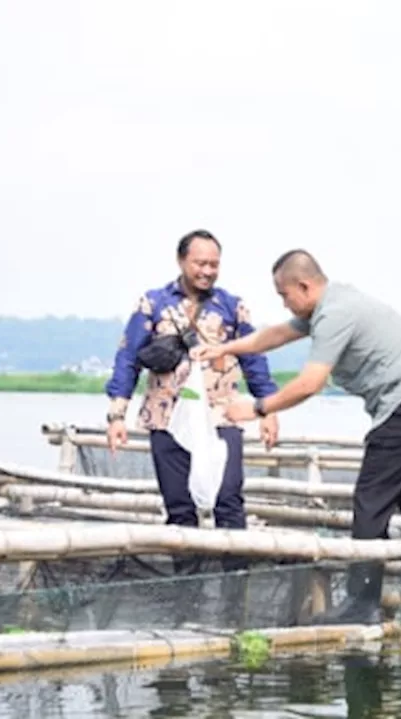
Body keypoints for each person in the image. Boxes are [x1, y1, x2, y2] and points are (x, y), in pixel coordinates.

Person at [193, 249, 401, 623]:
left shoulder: (335, 314)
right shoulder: (330, 304)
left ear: (303, 286)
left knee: (370, 499)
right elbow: (275, 335)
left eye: (284, 294)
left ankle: (362, 603)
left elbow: (310, 384)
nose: (284, 303)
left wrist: (257, 409)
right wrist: (225, 348)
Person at [104, 229, 280, 573]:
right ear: (181, 261)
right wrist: (117, 417)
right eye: (200, 263)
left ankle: (235, 593)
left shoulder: (232, 307)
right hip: (165, 417)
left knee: (228, 500)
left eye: (214, 264)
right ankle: (189, 593)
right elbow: (128, 359)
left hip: (221, 415)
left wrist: (268, 411)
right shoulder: (153, 304)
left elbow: (255, 359)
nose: (207, 271)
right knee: (179, 507)